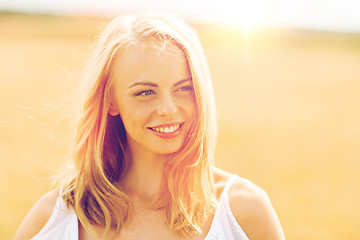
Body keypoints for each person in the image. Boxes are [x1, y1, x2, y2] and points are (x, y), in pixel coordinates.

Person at [14, 12, 285, 240]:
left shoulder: (244, 211)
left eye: (183, 89)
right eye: (145, 92)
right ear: (111, 101)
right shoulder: (56, 217)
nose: (168, 108)